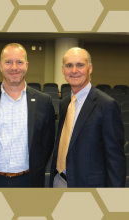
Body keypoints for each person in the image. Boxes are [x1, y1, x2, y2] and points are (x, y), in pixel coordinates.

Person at [0, 43, 55, 187]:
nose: (14, 67)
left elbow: (46, 145)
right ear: (0, 66)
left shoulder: (44, 101)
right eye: (8, 62)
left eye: (19, 62)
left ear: (27, 65)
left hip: (30, 181)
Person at [49, 47, 126, 187]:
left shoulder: (107, 105)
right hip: (58, 181)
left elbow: (115, 161)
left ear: (90, 68)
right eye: (69, 66)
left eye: (80, 65)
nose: (74, 71)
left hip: (88, 186)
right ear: (62, 70)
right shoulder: (64, 103)